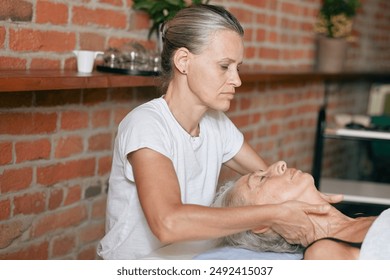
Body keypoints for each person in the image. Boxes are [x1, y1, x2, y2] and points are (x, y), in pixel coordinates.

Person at [97, 4, 340, 260]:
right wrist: (275, 214)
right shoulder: (146, 124)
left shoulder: (216, 123)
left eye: (238, 67)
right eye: (224, 66)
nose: (236, 80)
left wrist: (308, 197)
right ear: (183, 61)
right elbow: (168, 222)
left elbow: (268, 180)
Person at [213, 160, 381, 259]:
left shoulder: (363, 216)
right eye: (262, 179)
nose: (280, 164)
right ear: (261, 223)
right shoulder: (323, 254)